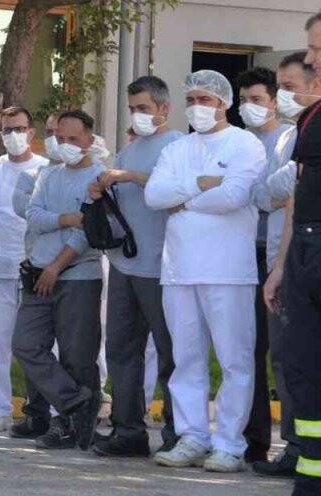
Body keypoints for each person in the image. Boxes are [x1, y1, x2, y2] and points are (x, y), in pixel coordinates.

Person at [146, 70, 266, 472]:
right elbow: (154, 195)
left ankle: (229, 444)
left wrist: (182, 197)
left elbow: (234, 195)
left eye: (206, 100)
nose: (198, 106)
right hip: (179, 269)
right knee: (186, 358)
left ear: (224, 103)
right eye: (192, 99)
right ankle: (193, 436)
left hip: (228, 269)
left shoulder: (244, 143)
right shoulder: (177, 148)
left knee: (235, 360)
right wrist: (200, 183)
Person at [88, 76, 183, 458]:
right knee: (122, 350)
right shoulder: (129, 150)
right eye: (132, 109)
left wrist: (127, 176)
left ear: (164, 108)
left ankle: (180, 430)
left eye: (144, 108)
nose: (137, 115)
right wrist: (102, 187)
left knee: (171, 352)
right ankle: (128, 430)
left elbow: (175, 188)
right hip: (125, 263)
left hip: (162, 266)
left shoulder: (177, 146)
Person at [12, 110, 105, 451]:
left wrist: (56, 266)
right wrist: (66, 217)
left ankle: (71, 427)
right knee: (25, 344)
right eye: (60, 139)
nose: (65, 145)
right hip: (38, 274)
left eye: (73, 140)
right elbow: (33, 216)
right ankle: (76, 402)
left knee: (77, 356)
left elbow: (89, 232)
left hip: (76, 276)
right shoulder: (49, 176)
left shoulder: (99, 176)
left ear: (90, 141)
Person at [265, 14, 321, 496]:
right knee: (302, 370)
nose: (311, 58)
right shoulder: (311, 119)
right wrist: (282, 266)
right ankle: (309, 472)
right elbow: (294, 198)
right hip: (306, 251)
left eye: (318, 50)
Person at [253, 52, 311, 479]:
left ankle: (302, 447)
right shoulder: (286, 138)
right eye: (281, 86)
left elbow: (287, 187)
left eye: (290, 85)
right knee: (286, 359)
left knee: (299, 358)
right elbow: (265, 193)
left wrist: (286, 185)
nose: (284, 94)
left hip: (302, 261)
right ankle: (296, 445)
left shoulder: (304, 135)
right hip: (285, 258)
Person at [0, 106, 48, 434]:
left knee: (39, 343)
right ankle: (0, 409)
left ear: (31, 132)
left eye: (19, 129)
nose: (13, 136)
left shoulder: (47, 170)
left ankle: (43, 410)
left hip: (36, 268)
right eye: (7, 130)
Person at [234, 67, 287, 464]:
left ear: (273, 101)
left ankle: (297, 445)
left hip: (277, 255)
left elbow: (272, 196)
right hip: (239, 256)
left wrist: (249, 191)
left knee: (284, 353)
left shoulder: (289, 140)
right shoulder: (235, 143)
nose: (249, 107)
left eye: (256, 99)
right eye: (243, 100)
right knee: (247, 350)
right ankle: (255, 442)